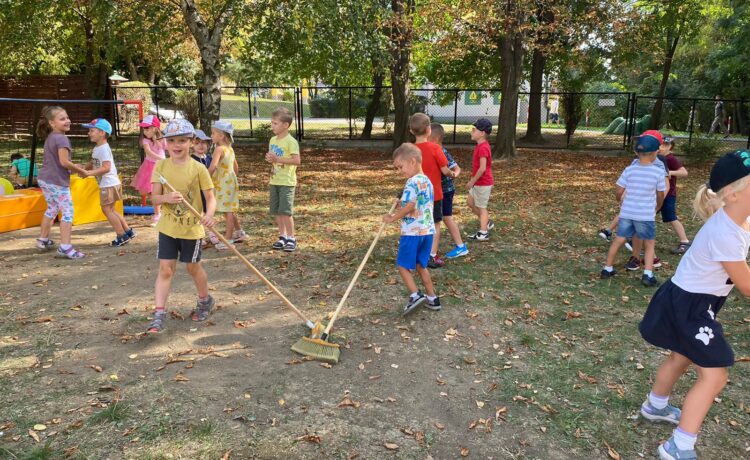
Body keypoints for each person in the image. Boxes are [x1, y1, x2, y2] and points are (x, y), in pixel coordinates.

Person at [638, 150, 750, 460]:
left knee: (682, 356)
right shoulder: (725, 233)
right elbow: (746, 285)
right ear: (735, 193)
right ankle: (679, 446)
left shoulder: (737, 218)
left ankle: (655, 406)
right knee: (715, 375)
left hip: (689, 299)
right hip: (690, 305)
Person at [147, 118, 216, 333]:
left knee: (192, 267)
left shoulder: (198, 168)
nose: (177, 145)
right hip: (168, 227)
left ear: (192, 142)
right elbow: (154, 199)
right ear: (166, 142)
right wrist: (166, 198)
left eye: (183, 140)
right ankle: (159, 313)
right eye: (173, 140)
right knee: (166, 269)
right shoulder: (161, 165)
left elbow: (211, 198)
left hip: (191, 228)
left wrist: (209, 215)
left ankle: (205, 300)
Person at [600, 131, 666, 286]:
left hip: (627, 213)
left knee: (618, 240)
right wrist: (658, 206)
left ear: (636, 152)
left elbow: (619, 190)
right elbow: (660, 194)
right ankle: (647, 274)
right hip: (645, 215)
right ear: (655, 152)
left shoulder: (629, 170)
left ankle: (607, 268)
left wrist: (620, 202)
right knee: (649, 244)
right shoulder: (658, 172)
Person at [382, 143, 441, 315]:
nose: (399, 171)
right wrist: (403, 204)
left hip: (412, 232)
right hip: (427, 231)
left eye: (400, 167)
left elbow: (410, 206)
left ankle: (415, 295)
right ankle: (432, 298)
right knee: (421, 265)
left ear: (413, 161)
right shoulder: (427, 181)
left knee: (402, 265)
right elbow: (418, 203)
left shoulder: (411, 182)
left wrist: (392, 217)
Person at [35, 106, 89, 259]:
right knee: (68, 213)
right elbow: (64, 162)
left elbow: (58, 162)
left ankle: (42, 240)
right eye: (62, 119)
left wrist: (74, 167)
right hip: (57, 182)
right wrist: (80, 170)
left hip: (45, 179)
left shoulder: (51, 137)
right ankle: (65, 247)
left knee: (51, 208)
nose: (67, 121)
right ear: (52, 123)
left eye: (67, 117)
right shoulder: (62, 138)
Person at [408, 113, 455, 268]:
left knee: (420, 223)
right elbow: (445, 169)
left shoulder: (410, 150)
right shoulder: (435, 148)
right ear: (429, 130)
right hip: (434, 195)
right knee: (435, 224)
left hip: (417, 196)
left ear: (411, 130)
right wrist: (452, 174)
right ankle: (431, 256)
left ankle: (417, 253)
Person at [80, 118, 135, 247]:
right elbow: (94, 162)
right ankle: (127, 232)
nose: (89, 133)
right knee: (112, 209)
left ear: (102, 133)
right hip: (111, 183)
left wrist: (89, 173)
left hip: (108, 184)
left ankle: (121, 235)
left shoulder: (103, 149)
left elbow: (106, 168)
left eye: (92, 130)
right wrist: (84, 167)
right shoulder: (98, 148)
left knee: (107, 210)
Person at [428, 123, 468, 261]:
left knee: (446, 218)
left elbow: (456, 168)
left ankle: (461, 246)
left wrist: (453, 174)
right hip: (436, 192)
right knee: (441, 218)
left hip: (445, 191)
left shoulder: (441, 151)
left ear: (434, 138)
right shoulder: (429, 151)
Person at [265, 107, 301, 252]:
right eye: (272, 123)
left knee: (285, 212)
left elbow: (297, 160)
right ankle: (283, 236)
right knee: (277, 211)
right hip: (274, 181)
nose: (272, 126)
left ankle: (292, 238)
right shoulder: (273, 140)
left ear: (285, 125)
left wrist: (277, 158)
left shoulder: (291, 141)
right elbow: (273, 158)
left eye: (275, 123)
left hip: (287, 182)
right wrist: (270, 159)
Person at [208, 120, 247, 249]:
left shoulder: (219, 149)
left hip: (223, 183)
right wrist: (232, 178)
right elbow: (236, 167)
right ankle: (239, 232)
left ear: (221, 135)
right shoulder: (230, 149)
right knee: (228, 209)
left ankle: (228, 239)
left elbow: (213, 167)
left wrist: (205, 178)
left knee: (228, 211)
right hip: (229, 181)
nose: (211, 136)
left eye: (213, 133)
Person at [131, 114, 166, 226]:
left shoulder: (162, 139)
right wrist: (160, 158)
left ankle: (161, 213)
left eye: (147, 128)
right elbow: (149, 152)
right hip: (150, 167)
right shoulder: (145, 141)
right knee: (150, 192)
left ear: (155, 128)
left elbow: (167, 147)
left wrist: (157, 140)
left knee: (162, 190)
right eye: (144, 129)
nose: (145, 131)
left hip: (161, 167)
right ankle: (158, 214)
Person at [467, 118, 495, 241]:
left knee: (482, 208)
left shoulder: (483, 147)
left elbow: (483, 168)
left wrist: (472, 181)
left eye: (474, 130)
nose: (471, 132)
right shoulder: (479, 146)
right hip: (477, 182)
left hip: (483, 183)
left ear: (482, 133)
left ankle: (483, 232)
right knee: (470, 203)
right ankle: (486, 222)